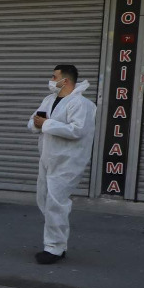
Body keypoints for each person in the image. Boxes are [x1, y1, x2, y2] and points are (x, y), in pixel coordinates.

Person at [28, 63, 97, 264]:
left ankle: (54, 248)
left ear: (65, 80)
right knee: (44, 199)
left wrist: (46, 124)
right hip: (48, 157)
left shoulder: (81, 104)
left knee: (56, 203)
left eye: (54, 76)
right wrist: (38, 124)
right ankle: (57, 243)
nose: (51, 80)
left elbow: (77, 130)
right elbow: (33, 122)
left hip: (68, 161)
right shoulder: (49, 100)